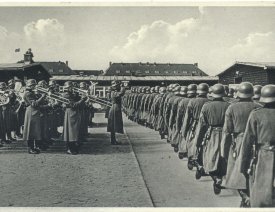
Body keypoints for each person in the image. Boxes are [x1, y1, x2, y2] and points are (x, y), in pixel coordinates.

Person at [221, 82, 261, 207]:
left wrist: (224, 149)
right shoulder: (258, 107)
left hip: (238, 141)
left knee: (238, 171)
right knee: (253, 169)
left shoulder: (231, 108)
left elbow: (227, 131)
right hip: (256, 142)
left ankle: (245, 196)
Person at [239, 84, 275, 207]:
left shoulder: (256, 114)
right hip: (263, 153)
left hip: (263, 156)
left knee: (260, 189)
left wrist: (243, 165)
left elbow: (247, 142)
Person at [193, 83, 230, 194]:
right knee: (224, 158)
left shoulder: (207, 106)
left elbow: (202, 125)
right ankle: (220, 177)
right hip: (225, 134)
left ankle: (216, 178)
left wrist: (198, 141)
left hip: (212, 134)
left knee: (210, 157)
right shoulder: (229, 105)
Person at [182, 83, 210, 173]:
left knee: (192, 142)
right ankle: (201, 160)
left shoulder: (192, 102)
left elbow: (187, 118)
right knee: (204, 144)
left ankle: (191, 159)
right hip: (207, 126)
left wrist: (184, 130)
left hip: (195, 124)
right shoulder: (210, 101)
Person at [62, 81, 87, 154]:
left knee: (74, 131)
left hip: (74, 114)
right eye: (71, 87)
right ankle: (69, 148)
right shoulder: (66, 95)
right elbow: (73, 105)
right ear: (67, 88)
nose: (72, 88)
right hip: (71, 113)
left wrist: (82, 96)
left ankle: (73, 146)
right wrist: (82, 99)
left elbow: (77, 100)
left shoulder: (71, 94)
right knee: (71, 132)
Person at [23, 79, 46, 154]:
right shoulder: (28, 93)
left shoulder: (32, 93)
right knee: (31, 131)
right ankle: (31, 148)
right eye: (33, 85)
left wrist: (41, 96)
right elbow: (34, 104)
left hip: (34, 112)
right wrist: (42, 96)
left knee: (35, 131)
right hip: (31, 112)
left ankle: (34, 147)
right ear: (30, 85)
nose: (35, 86)